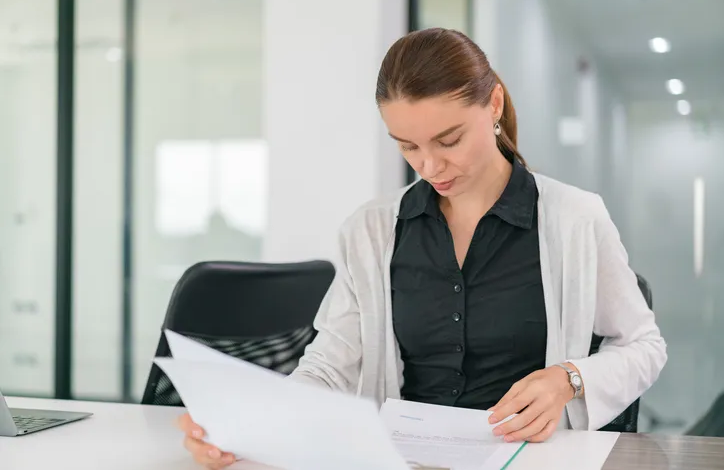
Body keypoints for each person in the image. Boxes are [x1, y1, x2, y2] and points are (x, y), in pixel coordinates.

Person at [177, 27, 667, 468]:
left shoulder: (574, 218)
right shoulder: (371, 231)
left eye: (448, 140)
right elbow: (330, 367)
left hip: (528, 460)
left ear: (493, 105)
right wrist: (251, 428)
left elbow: (644, 346)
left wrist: (569, 379)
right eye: (408, 146)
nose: (429, 166)